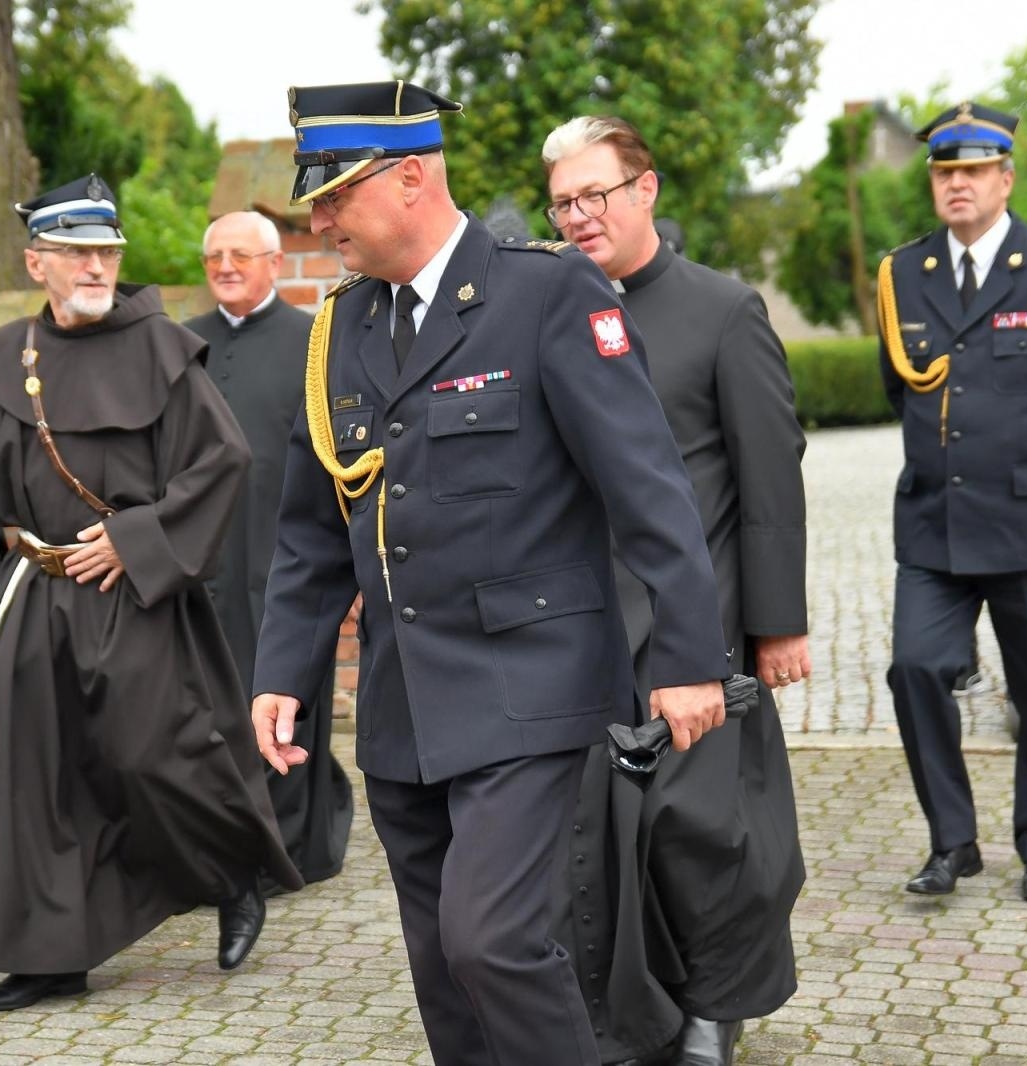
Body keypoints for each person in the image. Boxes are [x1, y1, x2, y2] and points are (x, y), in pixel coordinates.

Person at [250, 81, 732, 1066]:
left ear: (411, 178)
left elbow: (648, 488)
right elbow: (310, 529)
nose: (319, 216)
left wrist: (687, 656)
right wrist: (278, 673)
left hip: (529, 679)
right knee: (440, 959)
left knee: (494, 939)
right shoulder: (339, 328)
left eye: (336, 193)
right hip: (403, 700)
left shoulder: (546, 292)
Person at [0, 173, 301, 1012]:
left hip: (134, 600)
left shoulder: (158, 347)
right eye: (78, 254)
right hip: (34, 598)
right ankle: (53, 956)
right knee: (40, 780)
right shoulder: (5, 356)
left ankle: (233, 874)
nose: (98, 267)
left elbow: (223, 461)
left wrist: (135, 543)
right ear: (37, 264)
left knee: (153, 754)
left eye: (107, 252)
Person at [540, 114, 807, 1066]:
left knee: (697, 830)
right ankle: (628, 1011)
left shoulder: (723, 311)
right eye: (562, 201)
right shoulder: (543, 308)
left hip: (702, 613)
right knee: (601, 829)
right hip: (582, 616)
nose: (577, 216)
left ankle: (713, 1007)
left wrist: (777, 624)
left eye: (594, 195)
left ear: (644, 191)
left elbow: (771, 472)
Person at [877, 102, 1027, 905]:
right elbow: (899, 389)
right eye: (945, 173)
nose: (957, 185)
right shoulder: (904, 273)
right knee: (914, 667)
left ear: (1006, 178)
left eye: (973, 171)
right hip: (934, 522)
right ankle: (953, 840)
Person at [184, 210, 353, 889]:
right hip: (202, 559)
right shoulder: (181, 344)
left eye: (241, 255)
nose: (226, 266)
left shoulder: (314, 342)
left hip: (282, 553)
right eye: (215, 256)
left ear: (274, 264)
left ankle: (283, 848)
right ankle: (205, 843)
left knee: (281, 694)